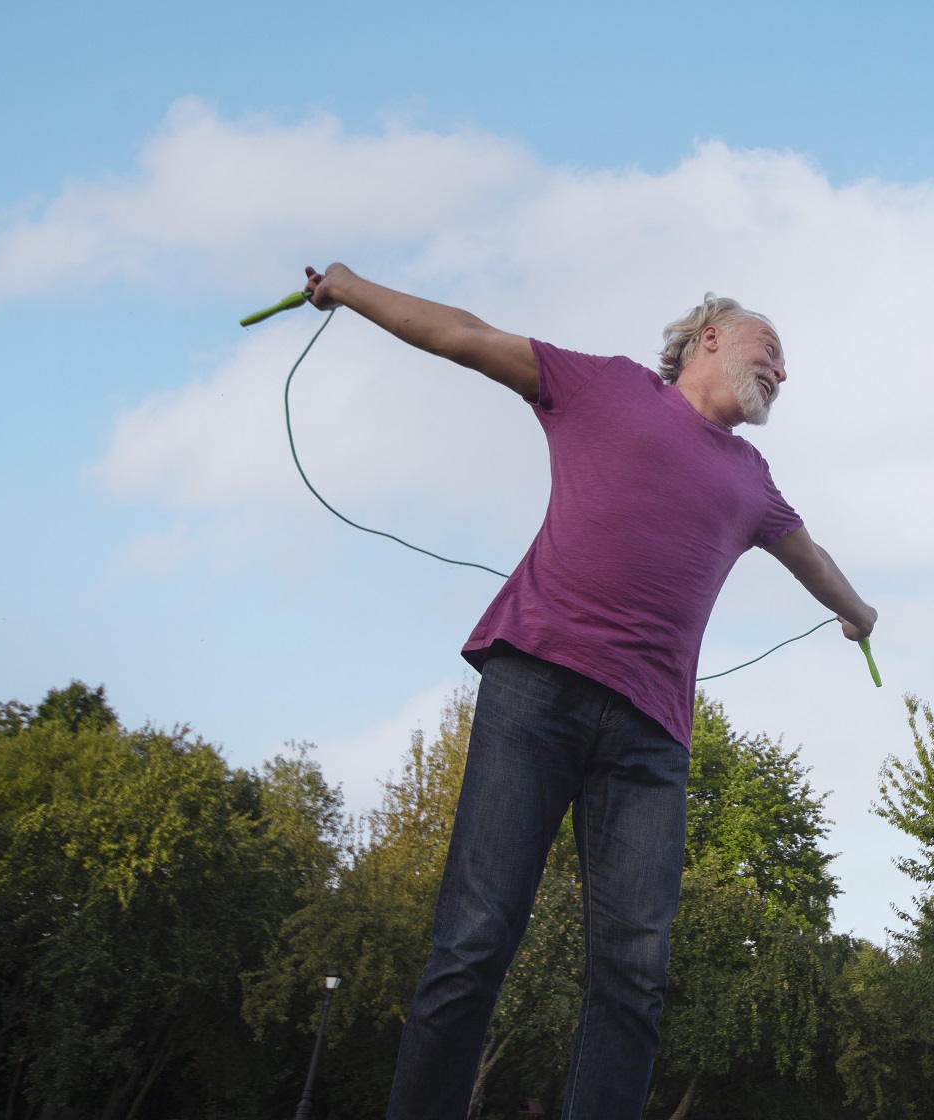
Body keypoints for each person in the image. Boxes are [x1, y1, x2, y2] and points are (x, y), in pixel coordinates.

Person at [302, 264, 878, 1120]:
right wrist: (350, 288)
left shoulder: (753, 479)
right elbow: (464, 335)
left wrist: (859, 612)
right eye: (772, 349)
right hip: (537, 687)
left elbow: (811, 559)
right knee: (475, 941)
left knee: (635, 974)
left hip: (651, 738)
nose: (783, 373)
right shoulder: (604, 386)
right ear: (711, 335)